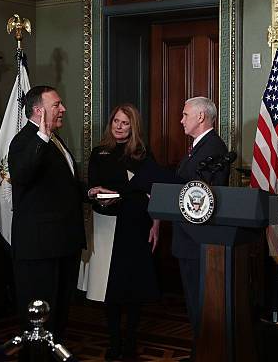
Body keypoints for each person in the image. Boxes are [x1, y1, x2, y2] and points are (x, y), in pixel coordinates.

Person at [8, 85, 108, 339]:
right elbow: (22, 174)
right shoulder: (24, 141)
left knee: (60, 312)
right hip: (40, 247)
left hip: (63, 243)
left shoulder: (53, 139)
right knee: (39, 314)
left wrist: (87, 192)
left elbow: (60, 184)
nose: (63, 109)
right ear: (39, 111)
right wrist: (41, 137)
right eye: (57, 105)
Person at [87, 104, 162, 361]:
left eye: (125, 123)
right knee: (111, 289)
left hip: (136, 225)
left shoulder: (142, 154)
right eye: (116, 121)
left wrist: (156, 224)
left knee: (133, 287)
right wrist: (102, 195)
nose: (119, 126)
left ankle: (130, 340)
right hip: (107, 224)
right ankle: (114, 341)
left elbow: (154, 193)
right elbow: (93, 187)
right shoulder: (99, 153)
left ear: (134, 127)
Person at [174, 97, 230, 338]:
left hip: (198, 238)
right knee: (194, 301)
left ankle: (205, 350)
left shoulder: (212, 148)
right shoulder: (201, 146)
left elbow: (199, 191)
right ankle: (201, 349)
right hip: (189, 237)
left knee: (201, 300)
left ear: (200, 117)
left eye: (185, 115)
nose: (181, 120)